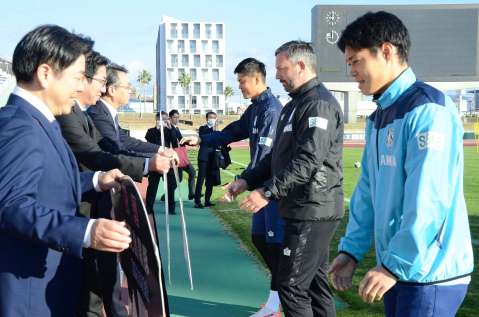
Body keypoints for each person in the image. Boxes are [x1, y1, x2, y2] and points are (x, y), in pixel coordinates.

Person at [328, 11, 474, 317]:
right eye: (348, 63)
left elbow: (429, 200)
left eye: (356, 61)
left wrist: (396, 264)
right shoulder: (380, 116)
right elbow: (367, 191)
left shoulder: (428, 110)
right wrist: (351, 250)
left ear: (386, 51)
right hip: (398, 269)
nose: (351, 71)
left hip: (430, 274)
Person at [0, 25, 136, 317]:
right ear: (46, 73)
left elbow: (49, 183)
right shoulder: (19, 126)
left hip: (53, 280)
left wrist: (97, 180)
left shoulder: (41, 120)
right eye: (77, 77)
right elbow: (12, 206)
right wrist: (85, 231)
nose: (80, 87)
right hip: (29, 293)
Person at [226, 41, 344, 317]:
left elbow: (308, 161)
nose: (277, 75)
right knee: (314, 286)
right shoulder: (293, 106)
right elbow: (275, 157)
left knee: (291, 286)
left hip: (313, 208)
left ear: (301, 66)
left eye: (282, 68)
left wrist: (267, 192)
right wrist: (247, 180)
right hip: (300, 207)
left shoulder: (318, 104)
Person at [181, 57, 284, 317]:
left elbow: (264, 154)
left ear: (257, 79)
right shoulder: (255, 108)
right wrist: (203, 138)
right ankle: (277, 297)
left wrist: (244, 180)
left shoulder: (271, 110)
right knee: (259, 238)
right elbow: (235, 130)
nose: (239, 86)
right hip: (259, 184)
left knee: (275, 245)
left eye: (242, 81)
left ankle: (280, 301)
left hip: (271, 189)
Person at [88, 63, 160, 155]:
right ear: (112, 90)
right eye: (127, 87)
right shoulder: (98, 115)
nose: (130, 91)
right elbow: (117, 151)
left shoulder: (107, 112)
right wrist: (151, 162)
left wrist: (161, 149)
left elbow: (127, 142)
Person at [145, 112, 178, 215]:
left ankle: (171, 208)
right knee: (152, 186)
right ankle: (149, 208)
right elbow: (149, 142)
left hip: (167, 161)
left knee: (170, 186)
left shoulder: (170, 130)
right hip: (156, 161)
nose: (163, 121)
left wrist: (170, 128)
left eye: (165, 119)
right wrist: (158, 129)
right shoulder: (151, 131)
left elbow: (175, 143)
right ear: (156, 119)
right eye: (161, 119)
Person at [193, 111, 221, 208]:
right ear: (207, 118)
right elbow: (205, 137)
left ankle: (207, 200)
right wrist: (213, 129)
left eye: (214, 117)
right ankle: (197, 201)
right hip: (203, 157)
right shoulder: (203, 128)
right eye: (210, 117)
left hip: (213, 158)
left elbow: (218, 140)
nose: (212, 119)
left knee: (210, 180)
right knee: (201, 179)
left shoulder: (217, 130)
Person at [169, 109, 196, 200]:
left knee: (192, 172)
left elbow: (180, 140)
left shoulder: (176, 128)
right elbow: (174, 141)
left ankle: (192, 193)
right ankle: (167, 196)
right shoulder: (169, 129)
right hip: (176, 156)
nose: (176, 119)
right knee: (179, 179)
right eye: (174, 117)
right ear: (170, 118)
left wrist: (190, 142)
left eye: (178, 117)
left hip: (181, 156)